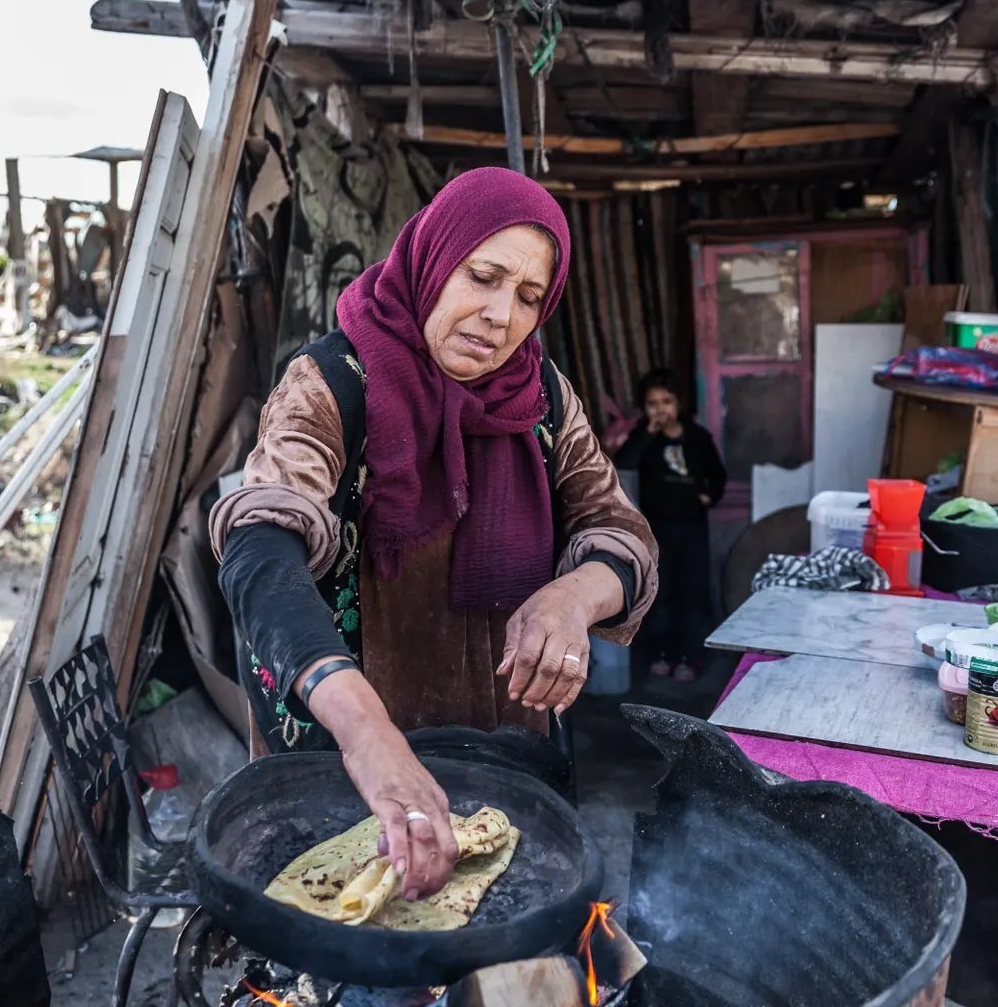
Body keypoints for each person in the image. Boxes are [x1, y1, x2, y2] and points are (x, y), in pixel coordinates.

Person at [209, 166, 657, 905]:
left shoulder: (541, 397)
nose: (499, 315)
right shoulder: (331, 385)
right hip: (346, 763)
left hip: (507, 748)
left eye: (528, 296)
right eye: (482, 276)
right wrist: (367, 734)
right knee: (353, 936)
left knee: (501, 937)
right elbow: (260, 549)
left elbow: (619, 530)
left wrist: (574, 598)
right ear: (434, 258)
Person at [614, 369, 726, 683]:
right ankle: (661, 653)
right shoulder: (645, 439)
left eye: (667, 401)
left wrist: (708, 496)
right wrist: (647, 433)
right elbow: (624, 462)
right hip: (657, 530)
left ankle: (690, 656)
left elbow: (718, 475)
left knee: (691, 594)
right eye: (653, 403)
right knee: (659, 595)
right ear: (644, 408)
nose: (660, 409)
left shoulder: (698, 438)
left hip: (692, 529)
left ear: (679, 403)